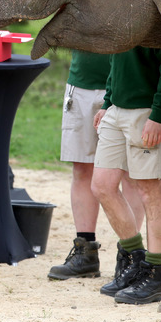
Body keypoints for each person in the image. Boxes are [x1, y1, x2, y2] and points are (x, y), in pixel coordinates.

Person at [90, 45, 161, 305]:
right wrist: (108, 102)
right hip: (117, 108)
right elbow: (117, 58)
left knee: (149, 188)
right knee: (102, 185)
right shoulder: (123, 10)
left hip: (150, 111)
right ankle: (135, 260)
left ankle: (154, 273)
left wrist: (158, 115)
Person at [48, 50, 145, 281]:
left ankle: (131, 254)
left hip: (128, 82)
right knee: (82, 168)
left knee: (130, 174)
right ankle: (85, 252)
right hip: (82, 81)